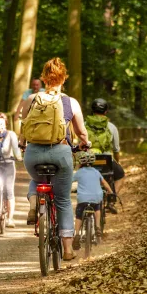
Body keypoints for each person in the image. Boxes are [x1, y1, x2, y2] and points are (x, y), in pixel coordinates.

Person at [19, 58, 89, 261]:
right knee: (63, 199)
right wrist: (85, 143)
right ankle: (67, 249)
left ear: (44, 78)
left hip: (32, 154)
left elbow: (24, 128)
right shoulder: (70, 102)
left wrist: (23, 145)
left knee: (36, 180)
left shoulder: (32, 99)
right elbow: (81, 133)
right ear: (63, 78)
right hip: (61, 153)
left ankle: (34, 204)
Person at [85, 98, 125, 213]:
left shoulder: (85, 124)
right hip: (106, 161)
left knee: (83, 172)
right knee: (121, 175)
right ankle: (111, 200)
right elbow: (116, 149)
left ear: (92, 110)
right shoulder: (111, 127)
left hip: (89, 159)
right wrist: (117, 162)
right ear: (106, 112)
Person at [72, 151, 114, 250]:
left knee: (79, 215)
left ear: (80, 163)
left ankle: (77, 234)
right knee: (97, 208)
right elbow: (104, 183)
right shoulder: (96, 172)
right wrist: (111, 191)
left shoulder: (79, 172)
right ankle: (98, 226)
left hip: (83, 199)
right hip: (96, 198)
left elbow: (69, 181)